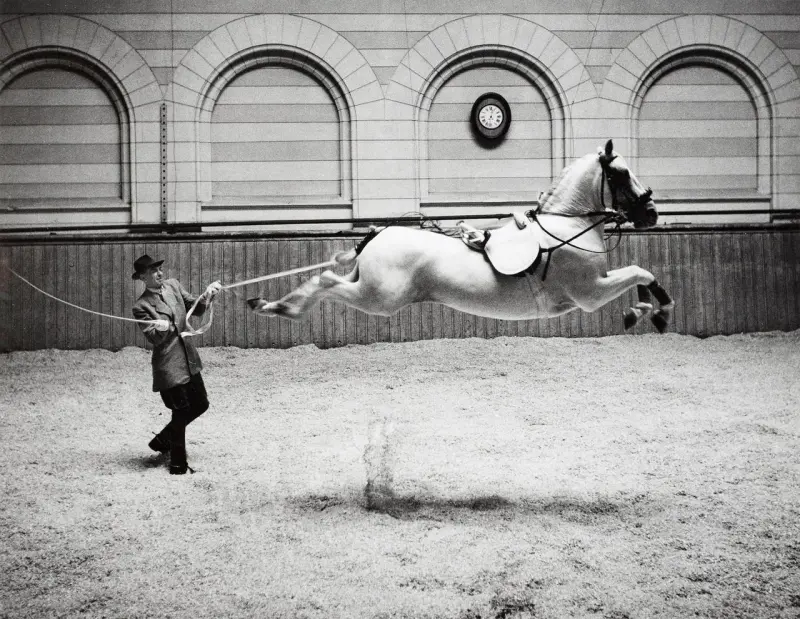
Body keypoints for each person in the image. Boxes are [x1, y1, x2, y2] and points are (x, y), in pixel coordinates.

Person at [131, 254, 222, 475]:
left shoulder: (173, 285)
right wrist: (160, 328)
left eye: (159, 269)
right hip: (169, 364)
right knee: (180, 411)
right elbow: (154, 339)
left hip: (188, 358)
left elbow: (195, 308)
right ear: (142, 277)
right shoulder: (141, 306)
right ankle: (178, 464)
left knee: (201, 403)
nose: (159, 274)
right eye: (153, 271)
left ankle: (163, 440)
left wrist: (207, 295)